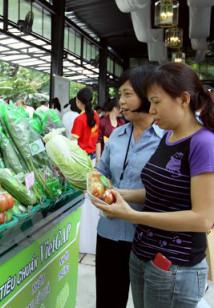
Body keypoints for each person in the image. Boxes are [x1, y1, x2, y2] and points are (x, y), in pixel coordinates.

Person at [93, 62, 214, 308]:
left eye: (156, 102)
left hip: (174, 264)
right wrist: (120, 193)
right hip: (145, 255)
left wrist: (133, 216)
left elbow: (202, 219)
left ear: (183, 99)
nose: (153, 110)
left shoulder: (203, 143)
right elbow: (158, 192)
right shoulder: (169, 137)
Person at [94, 65, 163, 308]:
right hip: (109, 233)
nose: (120, 101)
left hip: (147, 237)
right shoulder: (118, 135)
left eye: (127, 94)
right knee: (108, 300)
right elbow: (101, 172)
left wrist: (118, 194)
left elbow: (170, 193)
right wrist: (94, 183)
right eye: (119, 94)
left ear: (146, 95)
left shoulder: (167, 139)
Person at [71, 88, 99, 161]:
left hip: (82, 158)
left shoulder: (79, 119)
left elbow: (74, 142)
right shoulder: (96, 115)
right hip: (93, 157)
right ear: (92, 100)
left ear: (77, 100)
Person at [95, 98, 125, 165]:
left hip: (119, 157)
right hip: (105, 156)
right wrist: (98, 160)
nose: (122, 110)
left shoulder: (122, 123)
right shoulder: (102, 122)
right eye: (120, 108)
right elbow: (98, 141)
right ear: (115, 108)